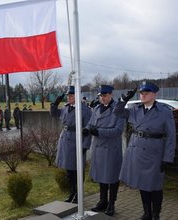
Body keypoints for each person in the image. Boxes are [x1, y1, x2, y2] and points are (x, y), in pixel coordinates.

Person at [114, 81, 176, 220]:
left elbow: (171, 137)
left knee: (154, 186)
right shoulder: (135, 109)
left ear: (154, 94)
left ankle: (155, 214)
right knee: (142, 184)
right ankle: (147, 213)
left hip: (155, 152)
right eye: (141, 93)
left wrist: (167, 158)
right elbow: (117, 112)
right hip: (137, 151)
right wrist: (124, 100)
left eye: (146, 93)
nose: (142, 95)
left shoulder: (164, 112)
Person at [84, 85, 125, 216]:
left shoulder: (118, 109)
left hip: (111, 148)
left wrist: (98, 131)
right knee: (101, 175)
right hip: (98, 147)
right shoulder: (96, 108)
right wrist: (87, 129)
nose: (103, 98)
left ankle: (112, 203)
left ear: (111, 94)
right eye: (101, 96)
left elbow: (118, 131)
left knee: (112, 177)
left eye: (105, 95)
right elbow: (91, 124)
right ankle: (103, 201)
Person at [50, 86, 92, 204]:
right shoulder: (65, 107)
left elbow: (88, 128)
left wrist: (85, 145)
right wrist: (54, 104)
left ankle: (79, 194)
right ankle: (72, 192)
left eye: (71, 95)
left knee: (78, 170)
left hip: (77, 141)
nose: (69, 97)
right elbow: (54, 114)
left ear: (77, 96)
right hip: (65, 140)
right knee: (69, 171)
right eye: (68, 95)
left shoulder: (85, 110)